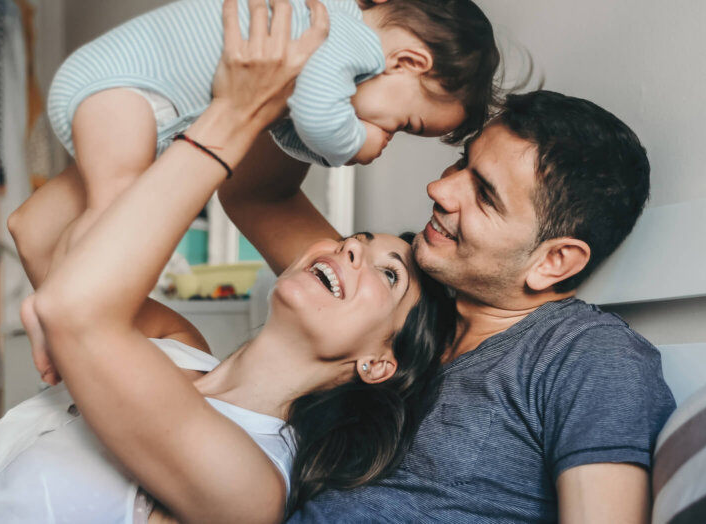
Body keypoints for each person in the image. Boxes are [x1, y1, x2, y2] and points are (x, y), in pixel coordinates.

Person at [0, 2, 453, 522]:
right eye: (357, 239)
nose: (350, 247)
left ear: (378, 363)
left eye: (387, 273)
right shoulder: (174, 341)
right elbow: (36, 230)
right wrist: (162, 97)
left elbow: (73, 310)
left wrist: (235, 113)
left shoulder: (251, 485)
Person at [219, 90, 678, 521]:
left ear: (553, 261)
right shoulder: (398, 301)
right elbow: (257, 195)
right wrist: (332, 84)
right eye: (461, 162)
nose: (440, 190)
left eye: (484, 194)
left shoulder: (588, 356)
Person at [25, 0, 498, 383]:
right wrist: (354, 143)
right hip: (127, 92)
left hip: (130, 97)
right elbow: (314, 118)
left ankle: (56, 295)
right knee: (115, 208)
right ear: (408, 61)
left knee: (112, 208)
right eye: (406, 124)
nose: (389, 132)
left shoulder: (328, 38)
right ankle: (54, 299)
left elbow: (286, 130)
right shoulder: (343, 36)